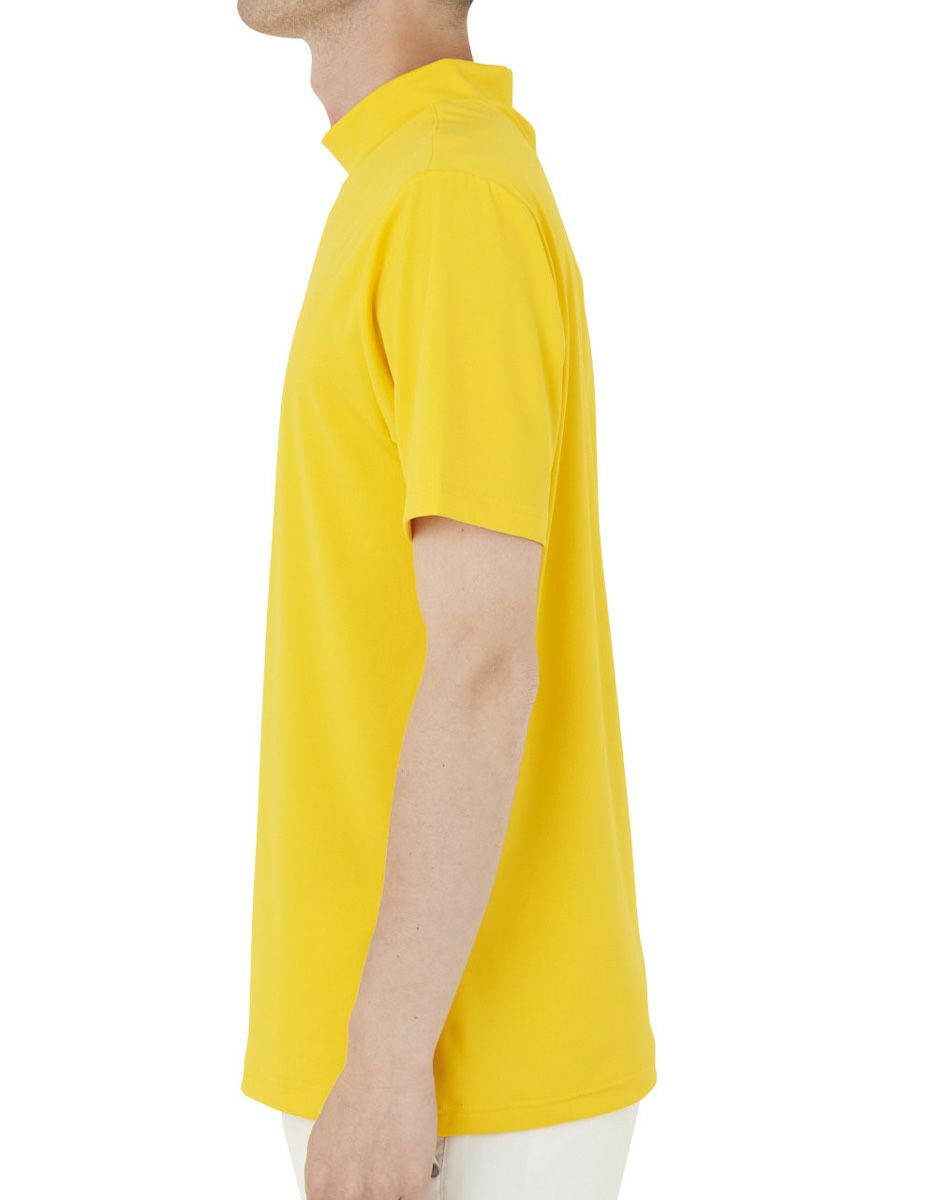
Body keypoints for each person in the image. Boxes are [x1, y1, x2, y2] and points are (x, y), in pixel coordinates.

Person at [236, 2, 656, 1197]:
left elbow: (483, 660)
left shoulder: (446, 198)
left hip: (459, 1081)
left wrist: (384, 1063)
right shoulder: (408, 181)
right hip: (413, 1056)